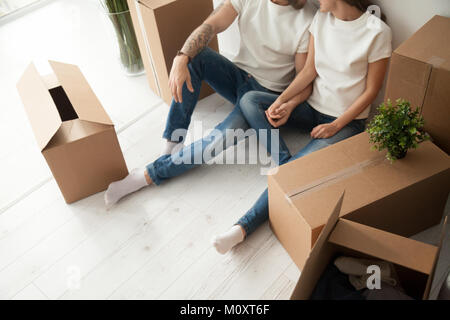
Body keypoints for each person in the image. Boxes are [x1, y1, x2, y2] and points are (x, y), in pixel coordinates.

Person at [211, 0, 392, 254]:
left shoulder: (377, 32)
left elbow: (371, 92)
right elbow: (308, 71)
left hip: (346, 123)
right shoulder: (320, 19)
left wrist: (335, 125)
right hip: (311, 107)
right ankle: (285, 161)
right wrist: (284, 101)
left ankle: (242, 228)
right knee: (251, 100)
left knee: (291, 175)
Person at [104, 0, 316, 207]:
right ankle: (172, 145)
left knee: (219, 138)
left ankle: (145, 176)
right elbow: (212, 24)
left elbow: (301, 78)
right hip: (238, 76)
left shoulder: (307, 19)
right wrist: (181, 57)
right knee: (197, 56)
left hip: (264, 94)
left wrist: (284, 105)